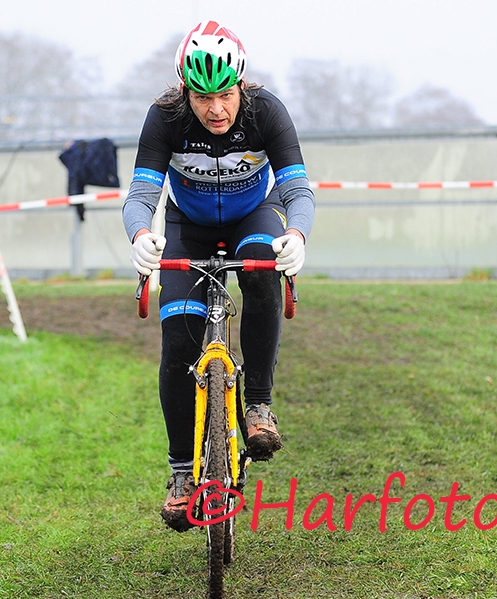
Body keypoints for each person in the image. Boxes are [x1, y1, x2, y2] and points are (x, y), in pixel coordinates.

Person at [122, 20, 315, 533]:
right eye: (203, 97)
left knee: (261, 272)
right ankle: (181, 474)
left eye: (225, 95)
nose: (216, 110)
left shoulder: (266, 112)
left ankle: (259, 407)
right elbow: (141, 196)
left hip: (255, 217)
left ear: (241, 86)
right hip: (188, 229)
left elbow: (298, 190)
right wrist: (140, 235)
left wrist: (296, 234)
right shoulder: (165, 118)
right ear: (185, 90)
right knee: (177, 342)